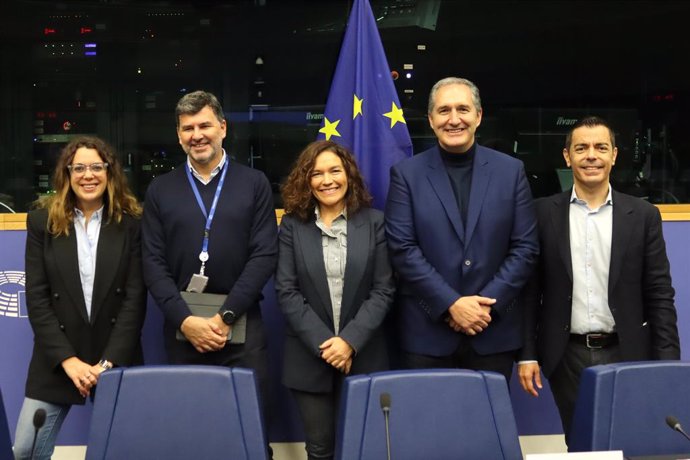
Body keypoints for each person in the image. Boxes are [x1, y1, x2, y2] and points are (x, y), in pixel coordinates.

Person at [517, 116, 680, 443]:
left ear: (614, 155)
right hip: (567, 356)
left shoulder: (643, 216)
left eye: (600, 147)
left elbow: (659, 294)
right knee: (580, 443)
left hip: (628, 351)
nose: (591, 155)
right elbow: (529, 291)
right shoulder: (542, 213)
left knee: (631, 441)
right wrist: (528, 353)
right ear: (568, 156)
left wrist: (667, 363)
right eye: (581, 148)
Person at [385, 77, 539, 381]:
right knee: (426, 428)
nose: (453, 119)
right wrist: (451, 304)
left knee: (486, 427)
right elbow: (402, 249)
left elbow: (525, 248)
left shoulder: (511, 171)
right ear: (431, 120)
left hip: (492, 331)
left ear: (478, 116)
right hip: (426, 336)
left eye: (462, 109)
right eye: (444, 111)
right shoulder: (407, 175)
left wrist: (484, 308)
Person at [141, 90, 278, 428]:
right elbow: (152, 263)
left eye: (204, 125)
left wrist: (224, 317)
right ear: (178, 135)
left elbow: (264, 255)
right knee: (191, 429)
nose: (197, 135)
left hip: (242, 326)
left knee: (250, 428)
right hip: (183, 329)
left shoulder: (254, 183)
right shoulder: (160, 189)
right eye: (188, 128)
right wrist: (186, 321)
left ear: (223, 128)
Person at [13, 136, 146, 460]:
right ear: (67, 174)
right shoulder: (42, 223)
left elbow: (134, 298)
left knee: (122, 452)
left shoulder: (131, 224)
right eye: (79, 168)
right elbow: (38, 298)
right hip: (57, 360)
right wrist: (69, 361)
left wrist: (106, 363)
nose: (88, 175)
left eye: (96, 167)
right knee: (26, 450)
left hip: (113, 360)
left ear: (109, 172)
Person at [276, 140, 394, 460]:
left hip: (364, 355)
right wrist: (329, 345)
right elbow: (286, 291)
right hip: (309, 358)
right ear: (306, 180)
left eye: (334, 171)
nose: (327, 180)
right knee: (319, 450)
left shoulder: (374, 222)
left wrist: (349, 342)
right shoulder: (291, 226)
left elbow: (383, 289)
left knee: (364, 448)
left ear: (349, 175)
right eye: (317, 173)